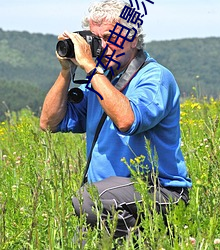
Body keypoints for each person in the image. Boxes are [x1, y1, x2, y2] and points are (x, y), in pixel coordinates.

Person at [40, 0, 192, 244]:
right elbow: (49, 123)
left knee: (88, 200)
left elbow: (127, 120)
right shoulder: (99, 81)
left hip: (160, 192)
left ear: (132, 37)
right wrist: (66, 70)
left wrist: (90, 67)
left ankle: (146, 241)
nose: (102, 47)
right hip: (110, 199)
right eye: (95, 38)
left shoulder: (154, 77)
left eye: (110, 37)